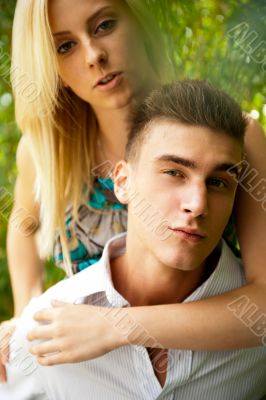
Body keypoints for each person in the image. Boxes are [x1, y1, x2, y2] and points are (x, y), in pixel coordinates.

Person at [1, 0, 266, 382]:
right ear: (51, 67)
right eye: (65, 46)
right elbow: (25, 226)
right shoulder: (48, 151)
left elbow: (261, 303)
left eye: (104, 25)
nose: (94, 55)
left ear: (138, 21)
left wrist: (116, 326)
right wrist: (26, 318)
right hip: (87, 372)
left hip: (204, 368)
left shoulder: (232, 138)